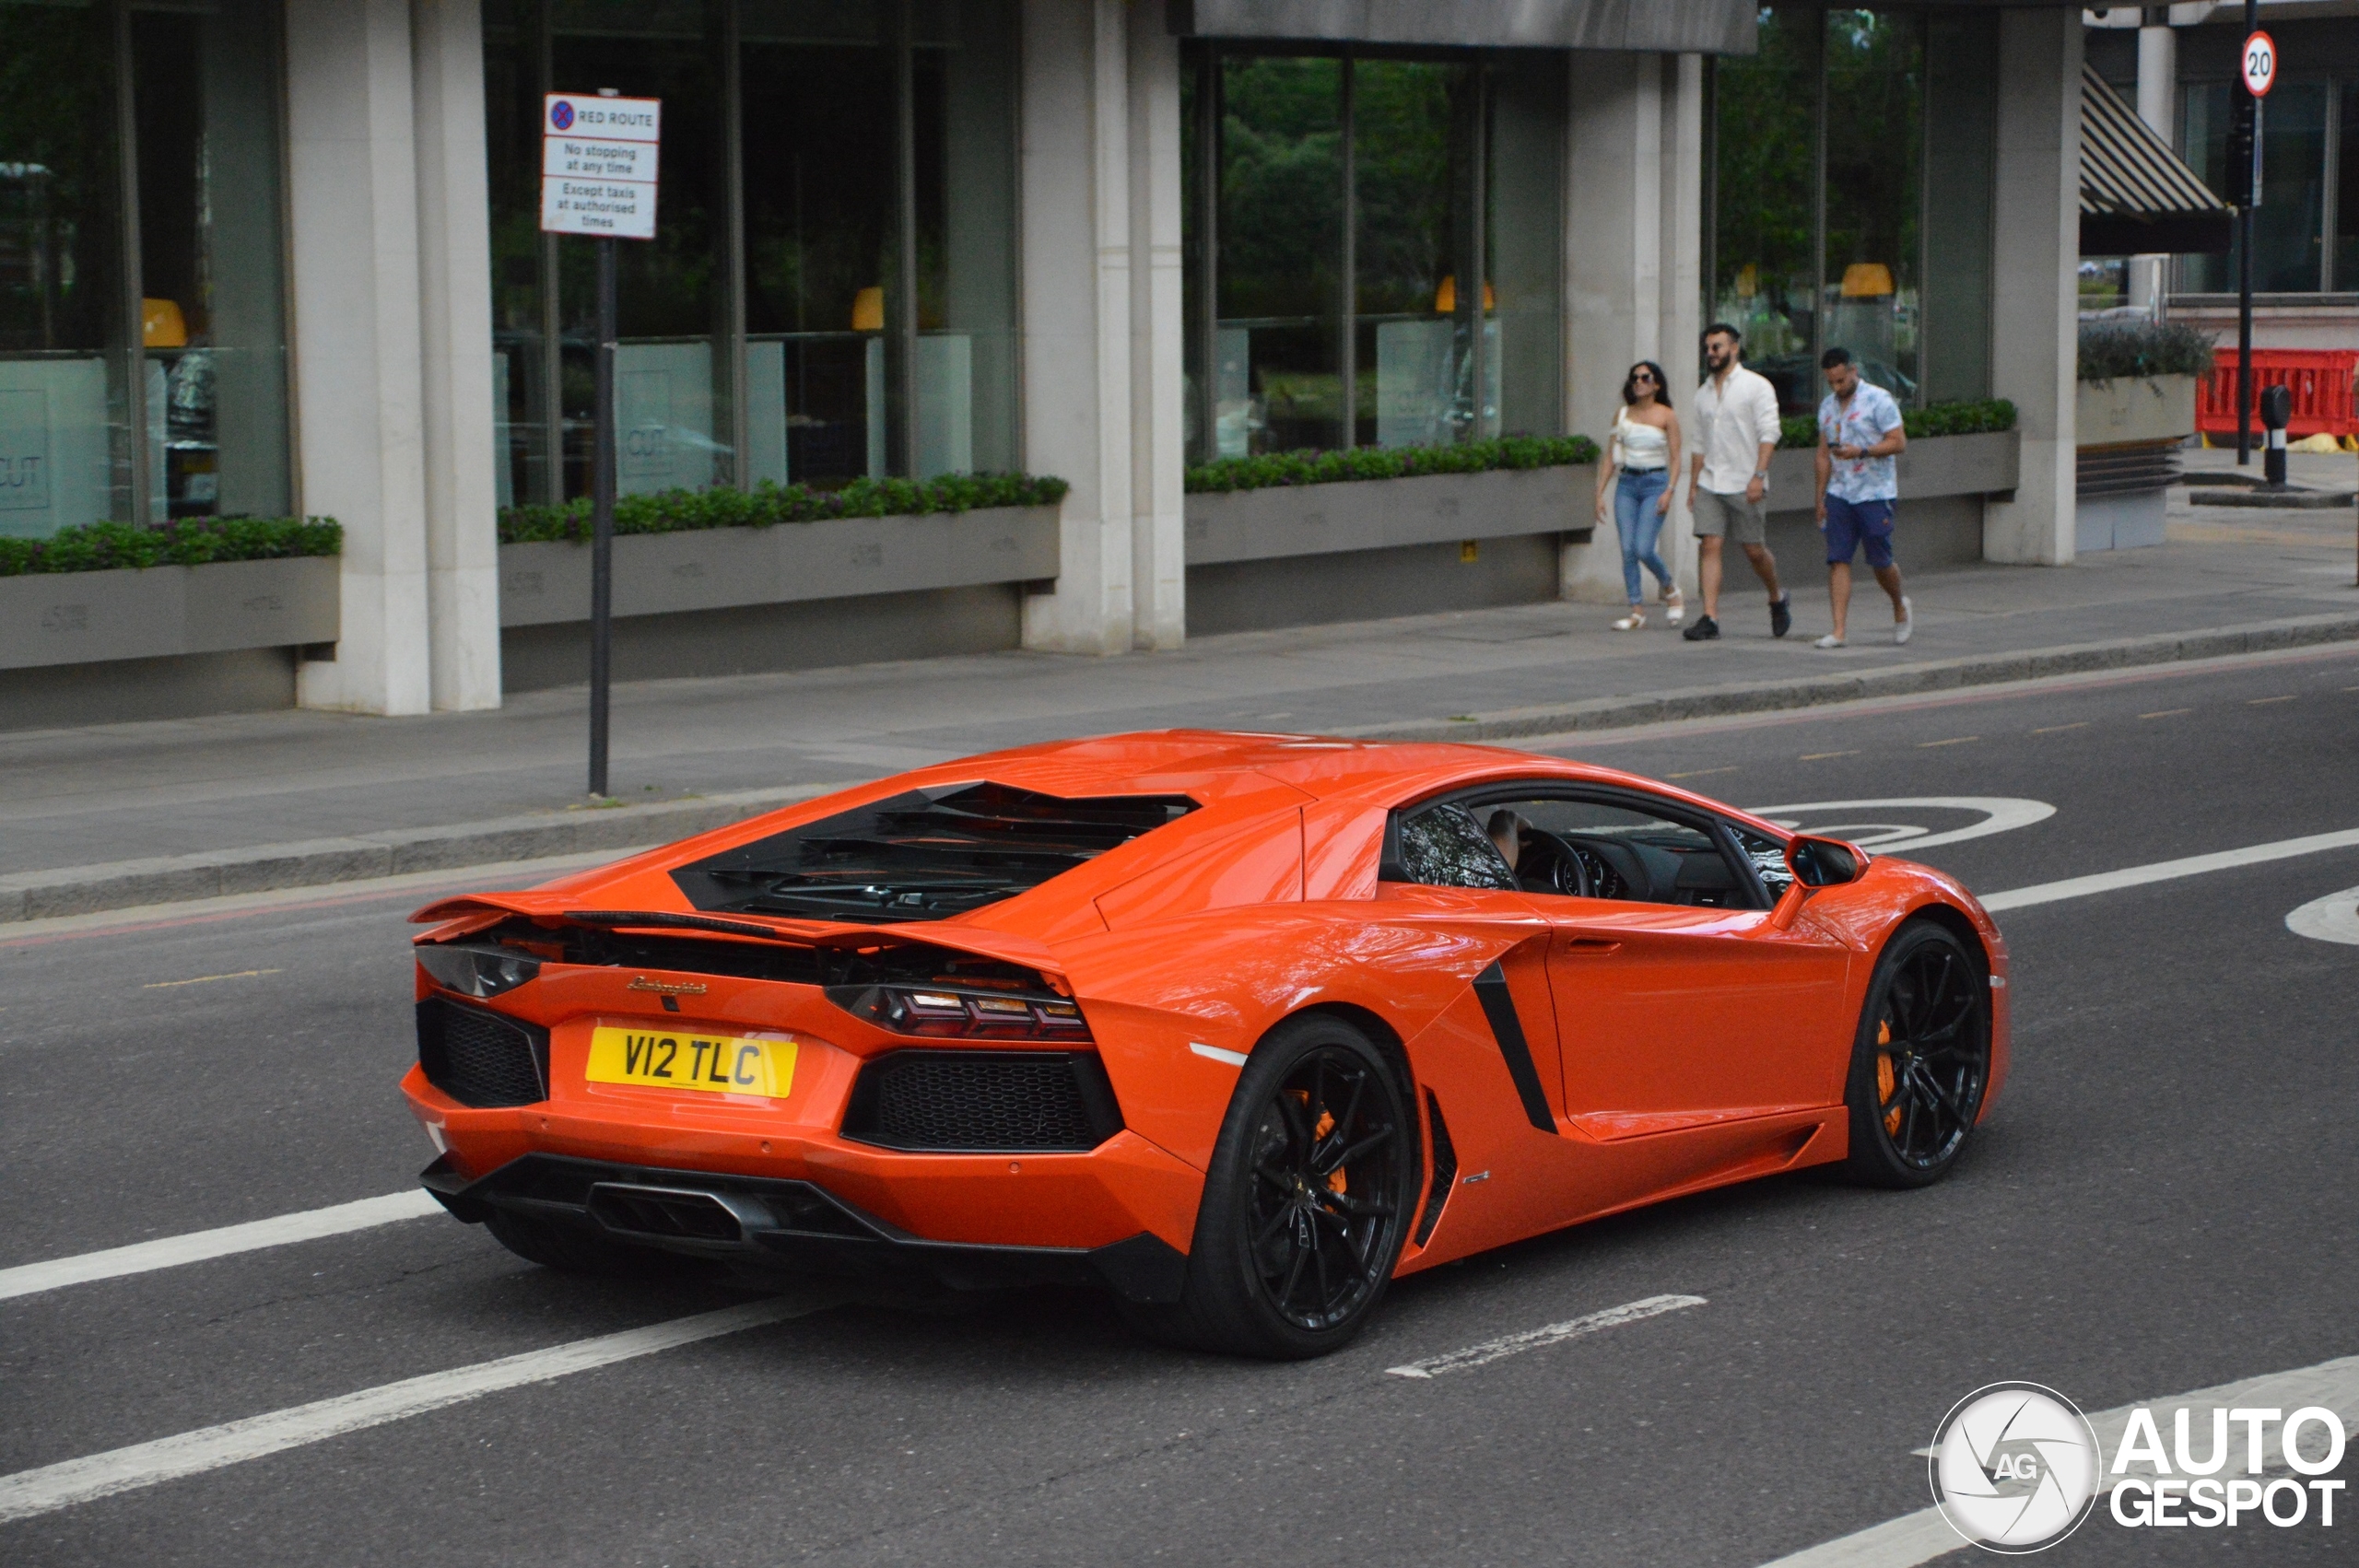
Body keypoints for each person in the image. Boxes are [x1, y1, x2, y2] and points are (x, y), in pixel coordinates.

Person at [1684, 323, 1792, 643]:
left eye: (1717, 347)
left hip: (1745, 481)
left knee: (1754, 551)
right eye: (1707, 348)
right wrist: (1693, 485)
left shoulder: (1756, 386)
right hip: (1710, 481)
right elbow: (1698, 442)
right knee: (1710, 544)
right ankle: (1710, 617)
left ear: (1734, 347)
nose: (1711, 354)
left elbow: (1769, 433)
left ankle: (1777, 597)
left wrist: (1759, 475)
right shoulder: (1702, 394)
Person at [1812, 346, 1913, 649]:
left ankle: (1898, 604)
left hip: (1874, 491)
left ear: (1853, 371)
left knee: (1880, 560)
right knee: (1838, 559)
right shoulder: (1828, 408)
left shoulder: (1879, 400)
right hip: (1840, 493)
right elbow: (1822, 454)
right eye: (1831, 382)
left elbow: (1898, 442)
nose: (1837, 387)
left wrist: (1863, 451)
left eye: (1841, 380)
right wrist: (1819, 498)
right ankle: (1839, 630)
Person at [1591, 360, 1685, 630]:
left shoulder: (1666, 415)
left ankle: (1670, 588)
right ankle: (1636, 610)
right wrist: (1599, 493)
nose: (1639, 382)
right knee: (1628, 548)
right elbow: (1611, 456)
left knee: (1644, 546)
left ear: (1656, 384)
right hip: (1627, 483)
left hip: (1655, 482)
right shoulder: (1623, 414)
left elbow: (1677, 457)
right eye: (1635, 378)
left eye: (1645, 378)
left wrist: (1670, 490)